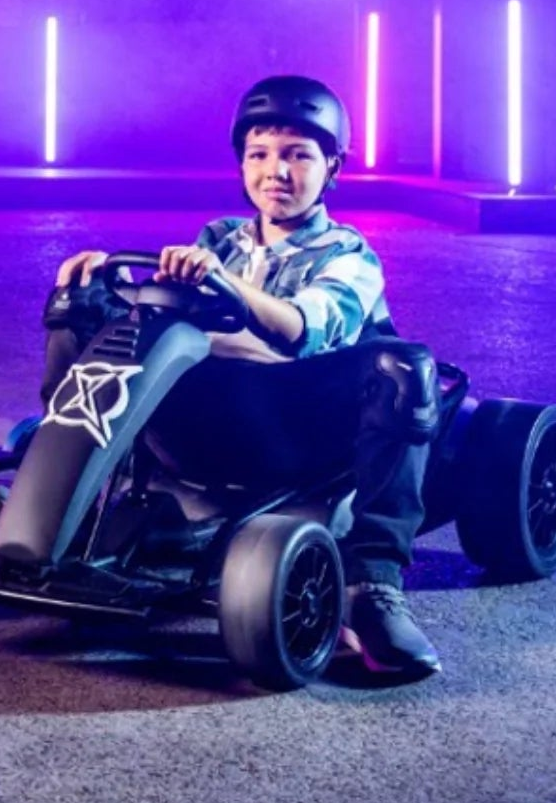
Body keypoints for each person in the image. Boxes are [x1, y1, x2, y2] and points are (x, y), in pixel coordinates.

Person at [41, 76, 443, 679]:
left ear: (331, 167)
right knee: (82, 308)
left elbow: (305, 328)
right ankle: (50, 494)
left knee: (403, 366)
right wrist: (100, 286)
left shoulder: (349, 255)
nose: (275, 171)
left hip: (298, 428)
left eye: (297, 155)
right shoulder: (219, 239)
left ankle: (374, 586)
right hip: (210, 423)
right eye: (259, 154)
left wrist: (231, 288)